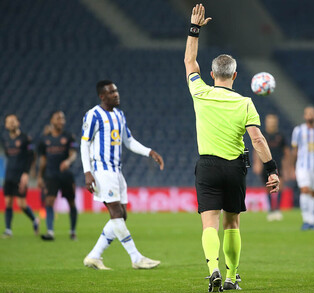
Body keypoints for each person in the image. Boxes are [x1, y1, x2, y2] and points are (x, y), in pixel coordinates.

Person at [184, 4, 280, 291]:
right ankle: (231, 276)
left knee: (209, 224)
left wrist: (195, 29)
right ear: (235, 76)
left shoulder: (200, 91)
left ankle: (212, 268)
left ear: (212, 75)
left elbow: (190, 61)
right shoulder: (245, 103)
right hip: (235, 167)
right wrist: (271, 171)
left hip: (208, 166)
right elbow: (258, 139)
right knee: (232, 224)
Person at [81, 80, 164, 270]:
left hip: (116, 171)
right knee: (116, 213)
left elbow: (128, 141)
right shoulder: (94, 115)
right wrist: (87, 172)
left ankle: (94, 256)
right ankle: (136, 258)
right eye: (111, 92)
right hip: (102, 170)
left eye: (116, 91)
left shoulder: (119, 115)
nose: (116, 94)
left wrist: (149, 152)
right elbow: (84, 143)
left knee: (121, 215)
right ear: (102, 96)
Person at [37, 111, 78, 241]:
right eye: (58, 118)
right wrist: (39, 176)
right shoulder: (45, 140)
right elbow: (43, 160)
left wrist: (68, 161)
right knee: (49, 201)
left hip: (66, 175)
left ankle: (72, 231)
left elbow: (73, 154)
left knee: (71, 202)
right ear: (52, 121)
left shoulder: (69, 137)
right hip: (51, 175)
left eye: (62, 118)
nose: (61, 120)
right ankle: (50, 232)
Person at [1, 114, 39, 238]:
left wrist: (26, 173)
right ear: (6, 125)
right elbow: (8, 155)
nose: (11, 123)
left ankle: (34, 220)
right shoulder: (6, 139)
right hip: (9, 175)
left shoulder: (25, 139)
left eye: (13, 121)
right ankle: (8, 230)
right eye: (8, 121)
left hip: (21, 175)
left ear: (18, 122)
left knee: (21, 204)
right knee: (8, 202)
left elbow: (31, 157)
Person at [253, 114, 290, 221]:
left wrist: (288, 167)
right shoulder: (262, 135)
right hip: (266, 165)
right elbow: (256, 150)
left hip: (279, 164)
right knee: (268, 188)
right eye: (269, 121)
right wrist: (257, 163)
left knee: (280, 186)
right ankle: (271, 210)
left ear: (276, 123)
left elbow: (287, 152)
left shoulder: (281, 136)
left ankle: (277, 209)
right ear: (266, 122)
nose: (271, 123)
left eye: (273, 121)